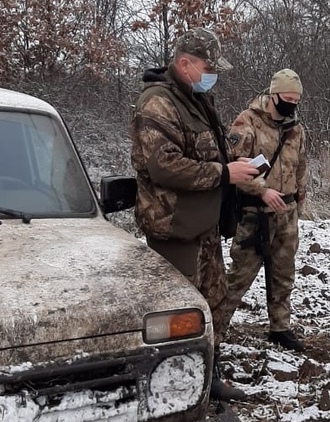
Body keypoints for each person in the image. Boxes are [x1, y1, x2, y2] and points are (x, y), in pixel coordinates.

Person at [130, 28, 260, 401]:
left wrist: (234, 163)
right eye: (208, 66)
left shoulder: (197, 100)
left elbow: (204, 153)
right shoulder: (159, 102)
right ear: (184, 63)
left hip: (203, 223)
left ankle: (207, 371)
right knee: (178, 315)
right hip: (175, 227)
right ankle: (175, 388)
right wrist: (225, 173)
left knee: (213, 301)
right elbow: (164, 167)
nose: (213, 73)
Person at [220, 69, 308, 352]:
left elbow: (301, 168)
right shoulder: (247, 123)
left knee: (283, 274)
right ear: (273, 95)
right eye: (288, 98)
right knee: (239, 277)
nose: (292, 104)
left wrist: (297, 203)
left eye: (297, 100)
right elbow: (232, 167)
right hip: (254, 215)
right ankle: (215, 330)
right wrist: (261, 191)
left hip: (287, 213)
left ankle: (280, 327)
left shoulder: (296, 129)